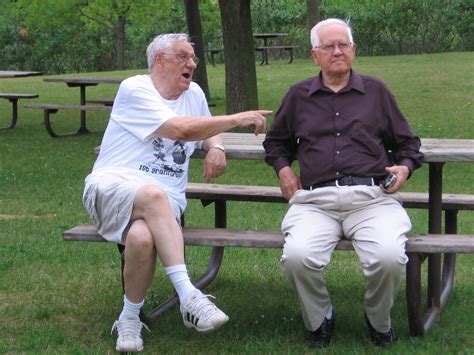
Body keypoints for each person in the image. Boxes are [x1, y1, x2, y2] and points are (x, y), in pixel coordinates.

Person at [82, 33, 271, 353]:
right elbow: (180, 130)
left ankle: (129, 319)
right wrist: (237, 119)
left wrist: (217, 146)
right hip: (111, 186)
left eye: (193, 58)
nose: (192, 64)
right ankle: (189, 295)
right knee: (153, 195)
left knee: (141, 239)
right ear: (160, 60)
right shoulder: (135, 88)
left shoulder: (193, 93)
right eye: (184, 57)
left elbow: (203, 127)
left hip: (161, 201)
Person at [263, 18, 423, 348]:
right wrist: (284, 169)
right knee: (297, 256)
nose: (337, 51)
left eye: (343, 45)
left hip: (371, 198)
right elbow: (275, 143)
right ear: (314, 55)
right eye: (328, 46)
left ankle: (378, 320)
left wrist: (405, 169)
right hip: (315, 201)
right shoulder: (298, 96)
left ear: (353, 50)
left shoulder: (376, 92)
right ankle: (320, 318)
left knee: (390, 256)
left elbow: (409, 145)